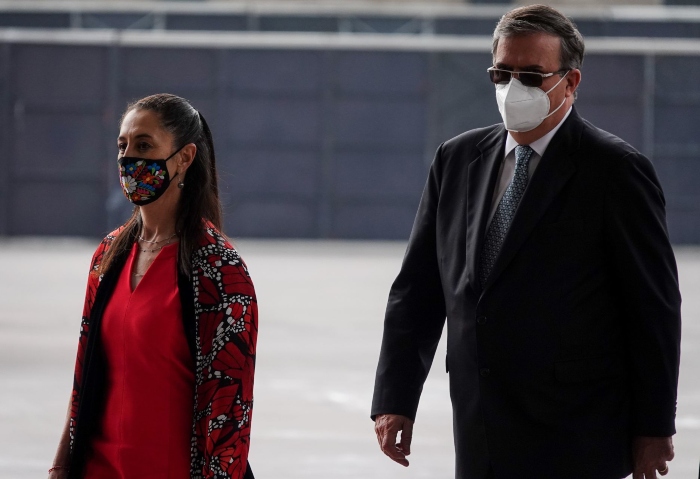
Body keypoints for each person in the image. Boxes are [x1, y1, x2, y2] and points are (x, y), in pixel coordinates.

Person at [371, 5, 681, 479]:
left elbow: (652, 309)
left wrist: (653, 427)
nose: (513, 88)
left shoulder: (614, 170)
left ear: (571, 82)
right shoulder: (457, 160)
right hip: (479, 427)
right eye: (502, 73)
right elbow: (418, 290)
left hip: (576, 434)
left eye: (532, 76)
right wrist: (395, 398)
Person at [48, 93, 258, 479]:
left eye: (144, 145)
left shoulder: (219, 269)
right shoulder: (107, 255)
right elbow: (84, 375)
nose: (129, 159)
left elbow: (231, 408)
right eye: (123, 146)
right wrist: (61, 463)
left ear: (184, 157)